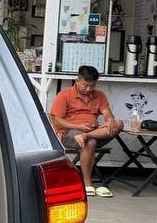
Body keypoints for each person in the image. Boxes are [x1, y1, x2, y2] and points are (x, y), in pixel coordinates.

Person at [49, 65, 123, 198]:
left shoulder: (99, 95)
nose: (89, 89)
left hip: (92, 132)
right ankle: (87, 183)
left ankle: (85, 136)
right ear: (77, 80)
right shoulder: (64, 95)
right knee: (91, 143)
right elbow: (57, 120)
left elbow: (106, 113)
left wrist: (110, 120)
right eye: (85, 86)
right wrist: (77, 127)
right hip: (69, 133)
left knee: (119, 123)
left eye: (92, 86)